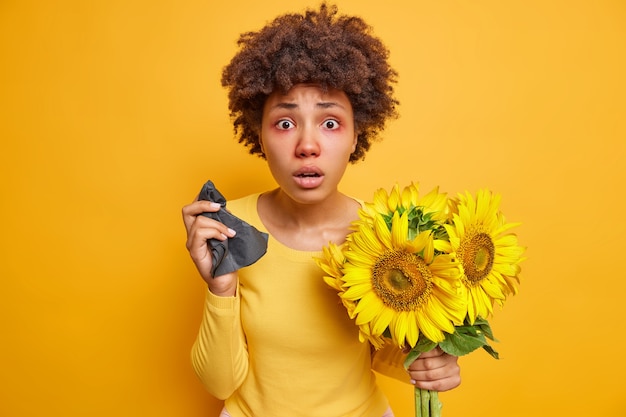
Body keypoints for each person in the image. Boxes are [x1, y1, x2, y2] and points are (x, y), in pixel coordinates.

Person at [182, 3, 461, 416]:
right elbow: (221, 383)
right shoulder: (228, 227)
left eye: (330, 123)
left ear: (356, 135)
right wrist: (220, 288)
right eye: (285, 123)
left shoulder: (386, 233)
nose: (307, 145)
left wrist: (437, 362)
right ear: (258, 133)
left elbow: (387, 354)